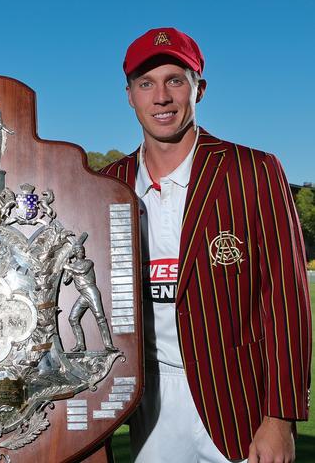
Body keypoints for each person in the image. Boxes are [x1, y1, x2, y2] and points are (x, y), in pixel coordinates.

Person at [100, 27, 311, 462]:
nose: (161, 97)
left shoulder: (252, 171)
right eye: (146, 83)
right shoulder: (105, 186)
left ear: (200, 89)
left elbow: (286, 299)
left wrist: (280, 418)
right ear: (129, 95)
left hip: (237, 402)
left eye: (175, 80)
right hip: (145, 399)